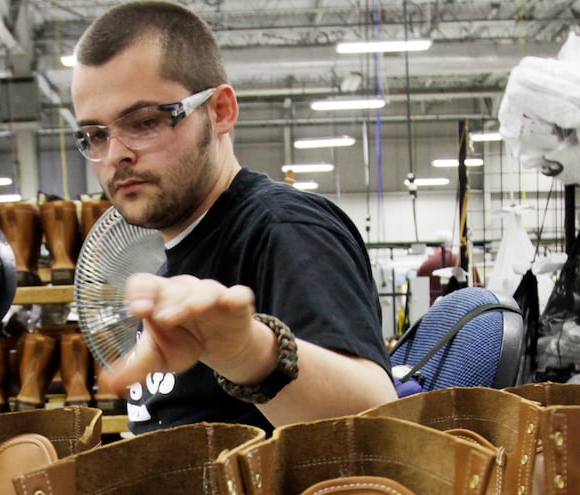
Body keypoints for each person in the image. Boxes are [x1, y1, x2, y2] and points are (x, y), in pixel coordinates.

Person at [71, 1, 396, 432]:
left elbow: (380, 423)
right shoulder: (175, 263)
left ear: (220, 111)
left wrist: (251, 354)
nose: (115, 155)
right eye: (95, 135)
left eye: (145, 122)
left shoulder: (283, 230)